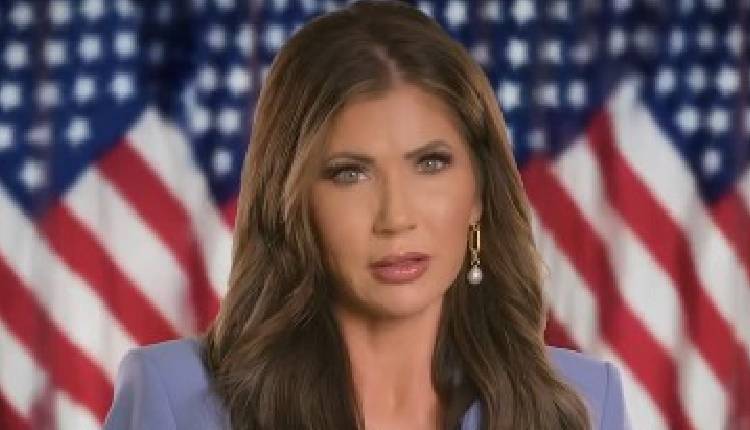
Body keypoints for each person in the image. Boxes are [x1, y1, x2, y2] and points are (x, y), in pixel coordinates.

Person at [104, 1, 630, 429]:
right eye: (350, 173)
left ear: (479, 193)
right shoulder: (175, 399)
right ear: (292, 202)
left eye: (430, 163)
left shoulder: (584, 405)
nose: (395, 217)